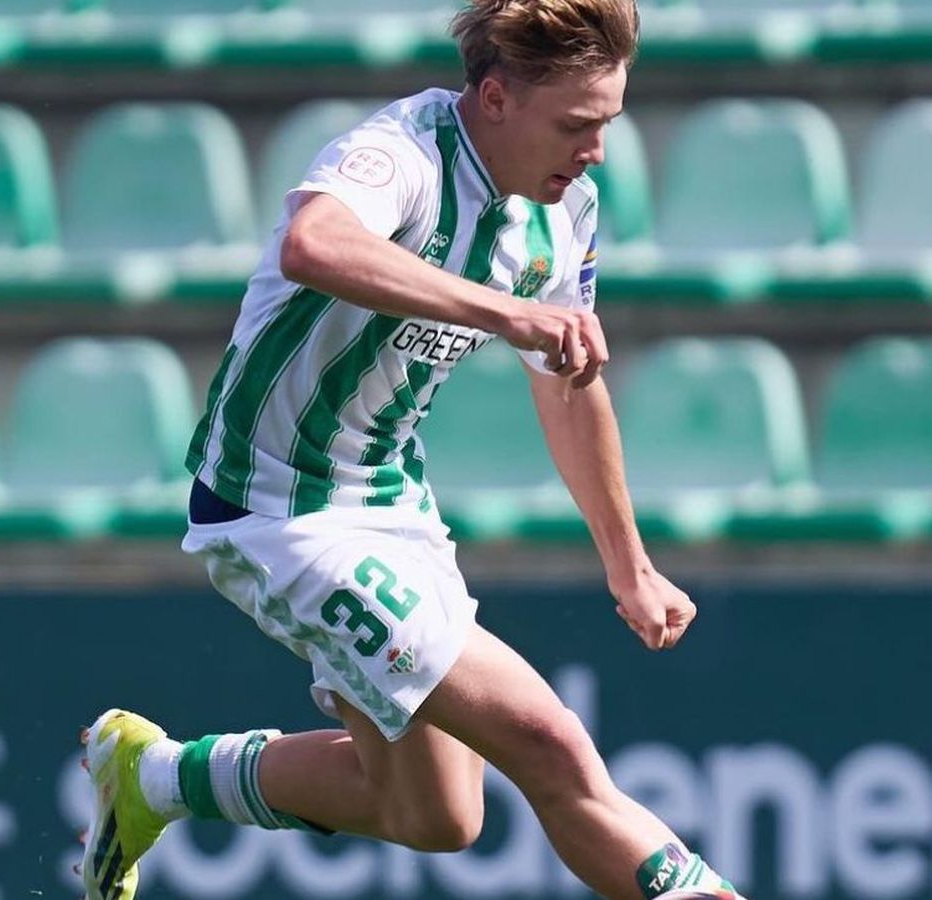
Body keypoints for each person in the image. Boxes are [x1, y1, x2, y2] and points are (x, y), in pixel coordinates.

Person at [80, 2, 744, 900]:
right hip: (279, 509)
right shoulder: (402, 152)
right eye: (577, 124)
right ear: (499, 97)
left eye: (609, 126)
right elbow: (314, 243)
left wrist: (630, 566)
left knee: (437, 817)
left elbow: (567, 380)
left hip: (391, 502)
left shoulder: (569, 209)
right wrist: (503, 310)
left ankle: (151, 777)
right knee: (553, 750)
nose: (595, 150)